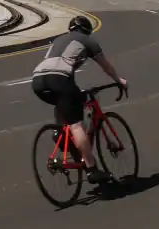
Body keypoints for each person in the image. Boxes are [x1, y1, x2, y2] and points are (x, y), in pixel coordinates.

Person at [31, 15, 127, 184]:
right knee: (76, 124)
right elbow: (105, 65)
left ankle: (59, 133)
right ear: (87, 31)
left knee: (65, 102)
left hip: (38, 79)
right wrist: (119, 81)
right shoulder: (88, 41)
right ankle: (91, 169)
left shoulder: (59, 40)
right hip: (58, 78)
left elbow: (64, 71)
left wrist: (77, 93)